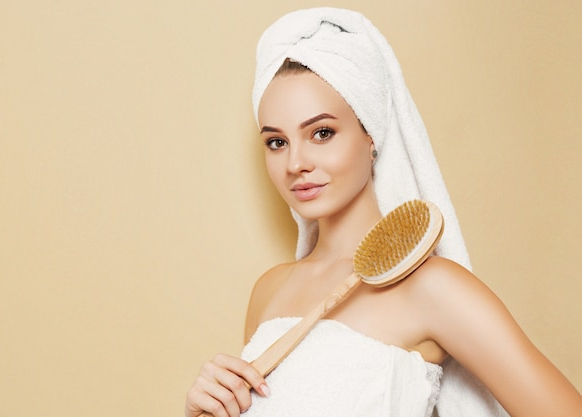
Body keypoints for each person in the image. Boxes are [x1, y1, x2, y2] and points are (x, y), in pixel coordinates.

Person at [185, 7, 582, 417]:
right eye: (276, 142)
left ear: (370, 134)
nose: (295, 163)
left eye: (322, 133)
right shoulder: (267, 293)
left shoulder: (434, 288)